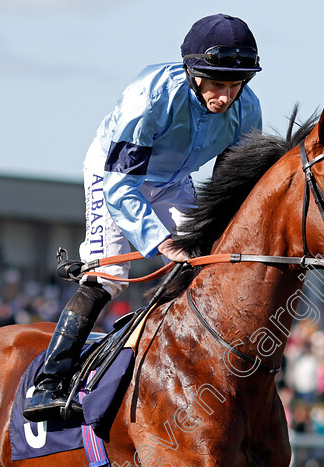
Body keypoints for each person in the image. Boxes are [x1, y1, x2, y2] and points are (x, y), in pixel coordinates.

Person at [23, 13, 263, 422]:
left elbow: (228, 188)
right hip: (114, 174)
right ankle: (48, 383)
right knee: (110, 277)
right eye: (217, 84)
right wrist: (159, 241)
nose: (226, 96)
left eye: (235, 85)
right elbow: (121, 185)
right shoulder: (150, 96)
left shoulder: (248, 110)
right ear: (193, 72)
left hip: (173, 180)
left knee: (203, 264)